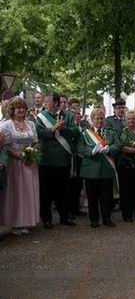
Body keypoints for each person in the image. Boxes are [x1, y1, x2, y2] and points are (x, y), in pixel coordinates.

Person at [36, 93, 78, 229]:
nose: (44, 104)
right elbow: (38, 134)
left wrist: (63, 128)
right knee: (45, 192)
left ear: (55, 103)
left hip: (63, 159)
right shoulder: (40, 117)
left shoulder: (69, 116)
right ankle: (46, 219)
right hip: (46, 159)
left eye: (47, 102)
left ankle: (64, 217)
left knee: (63, 191)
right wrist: (53, 129)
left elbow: (75, 132)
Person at [0, 97, 40, 235]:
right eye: (18, 108)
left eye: (23, 107)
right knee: (15, 193)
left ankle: (26, 221)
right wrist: (18, 155)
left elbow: (34, 142)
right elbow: (4, 145)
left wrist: (32, 152)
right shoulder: (6, 125)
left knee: (28, 192)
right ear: (12, 110)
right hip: (14, 164)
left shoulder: (31, 124)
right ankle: (15, 223)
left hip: (29, 163)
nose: (21, 110)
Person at [77, 108, 120, 227]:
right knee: (92, 196)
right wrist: (92, 151)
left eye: (101, 118)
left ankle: (107, 218)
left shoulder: (110, 132)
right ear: (92, 120)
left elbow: (118, 145)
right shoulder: (85, 134)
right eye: (97, 118)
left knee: (106, 196)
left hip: (106, 168)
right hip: (91, 168)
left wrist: (109, 149)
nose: (99, 121)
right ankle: (94, 219)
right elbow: (80, 148)